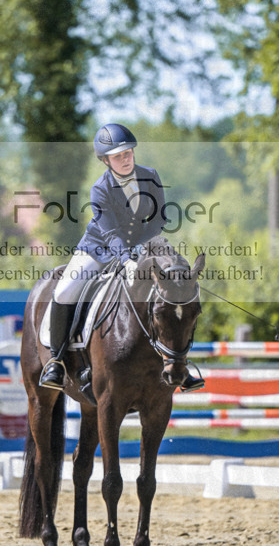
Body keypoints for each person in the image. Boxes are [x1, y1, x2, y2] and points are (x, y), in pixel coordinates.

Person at [39, 122, 204, 392]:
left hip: (143, 246)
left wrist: (140, 249)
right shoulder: (100, 189)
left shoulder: (150, 177)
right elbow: (111, 232)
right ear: (106, 160)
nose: (125, 159)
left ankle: (178, 364)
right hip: (99, 248)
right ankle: (56, 361)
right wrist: (127, 260)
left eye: (128, 153)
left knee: (174, 287)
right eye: (118, 156)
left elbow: (158, 218)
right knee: (65, 291)